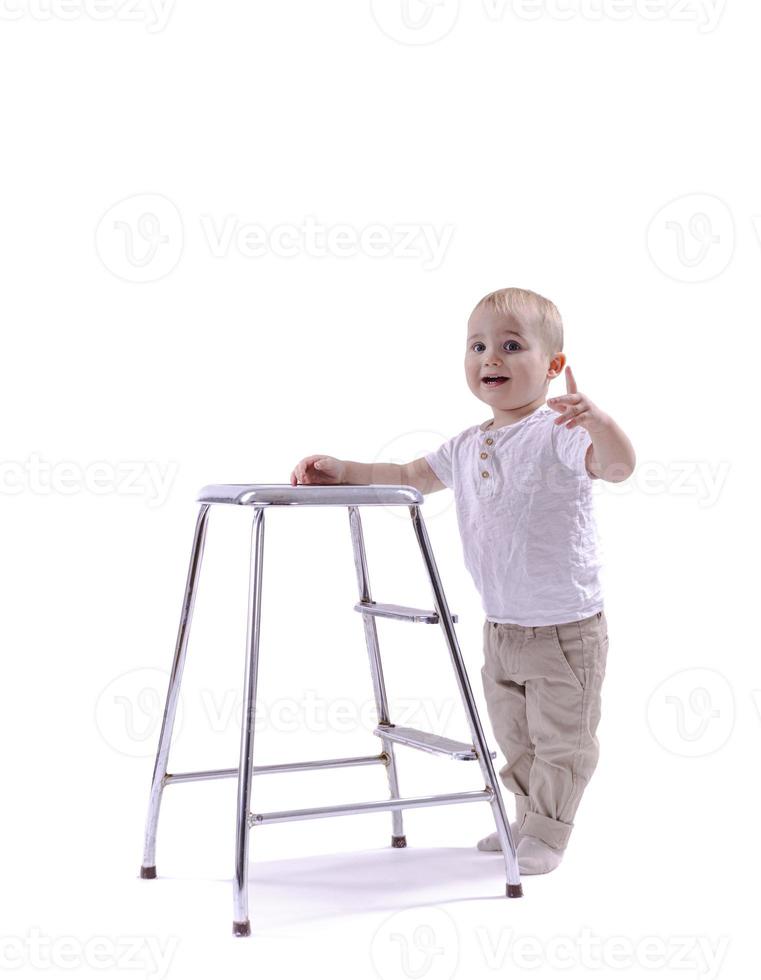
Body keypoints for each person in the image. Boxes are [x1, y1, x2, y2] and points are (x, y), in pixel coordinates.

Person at [289, 286, 636, 875]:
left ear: (553, 367)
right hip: (502, 625)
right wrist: (343, 472)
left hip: (565, 627)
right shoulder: (469, 443)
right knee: (514, 734)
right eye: (477, 346)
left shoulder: (560, 430)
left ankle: (550, 832)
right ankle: (525, 819)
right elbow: (407, 475)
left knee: (563, 739)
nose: (490, 359)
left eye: (510, 345)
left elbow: (619, 467)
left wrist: (598, 421)